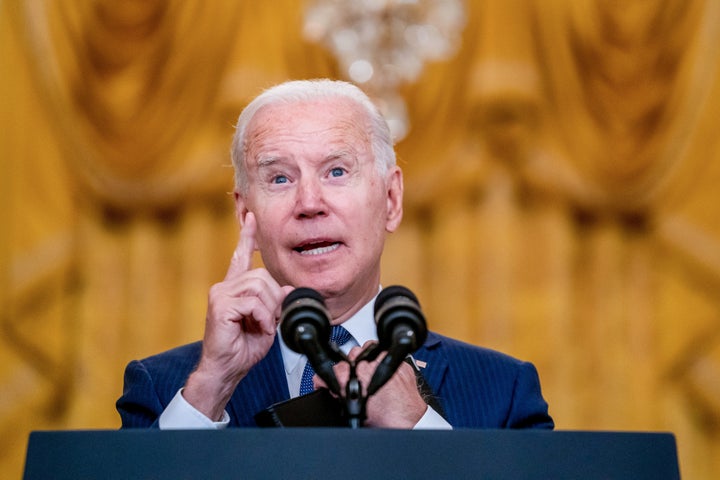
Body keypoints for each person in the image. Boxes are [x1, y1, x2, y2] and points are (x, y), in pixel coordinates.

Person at [117, 79, 553, 430]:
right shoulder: (164, 389)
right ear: (245, 212)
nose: (310, 201)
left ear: (391, 198)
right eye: (280, 179)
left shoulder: (504, 392)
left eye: (337, 171)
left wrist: (422, 430)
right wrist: (214, 384)